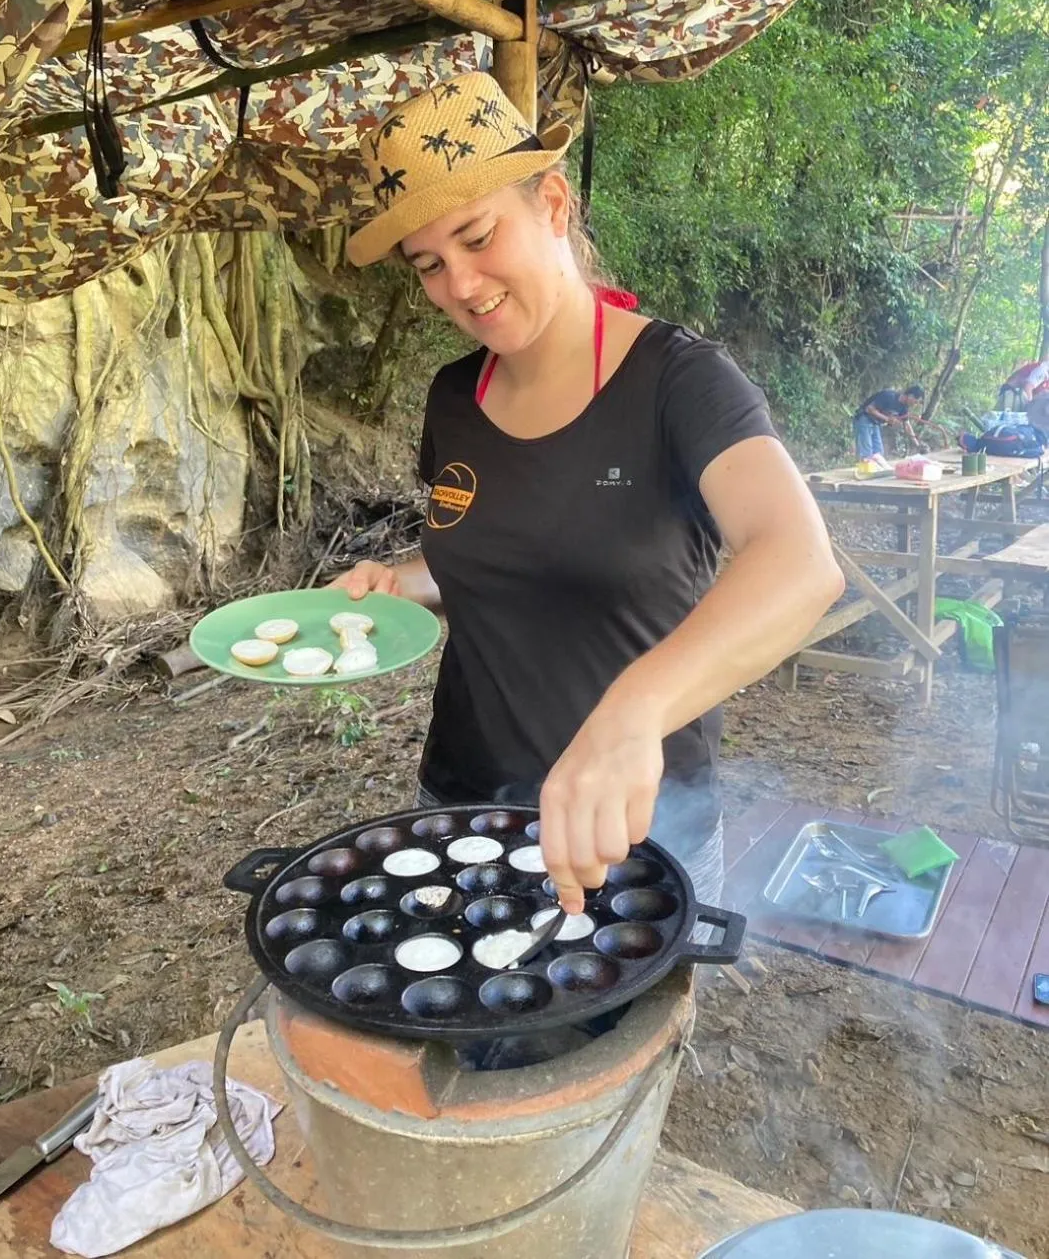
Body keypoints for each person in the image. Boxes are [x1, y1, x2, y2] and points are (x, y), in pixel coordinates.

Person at [327, 72, 844, 917]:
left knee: (620, 1048)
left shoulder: (679, 382)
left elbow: (800, 561)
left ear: (553, 206)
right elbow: (496, 545)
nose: (459, 283)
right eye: (428, 264)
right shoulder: (453, 398)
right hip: (463, 806)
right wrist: (406, 577)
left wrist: (631, 711)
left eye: (476, 235)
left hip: (634, 823)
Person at [852, 385, 925, 466]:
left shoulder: (904, 408)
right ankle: (864, 469)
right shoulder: (889, 396)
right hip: (864, 418)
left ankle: (876, 470)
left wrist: (917, 444)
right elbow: (869, 409)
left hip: (875, 423)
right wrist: (887, 419)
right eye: (915, 402)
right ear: (910, 396)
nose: (915, 404)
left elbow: (907, 425)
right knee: (866, 450)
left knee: (878, 453)